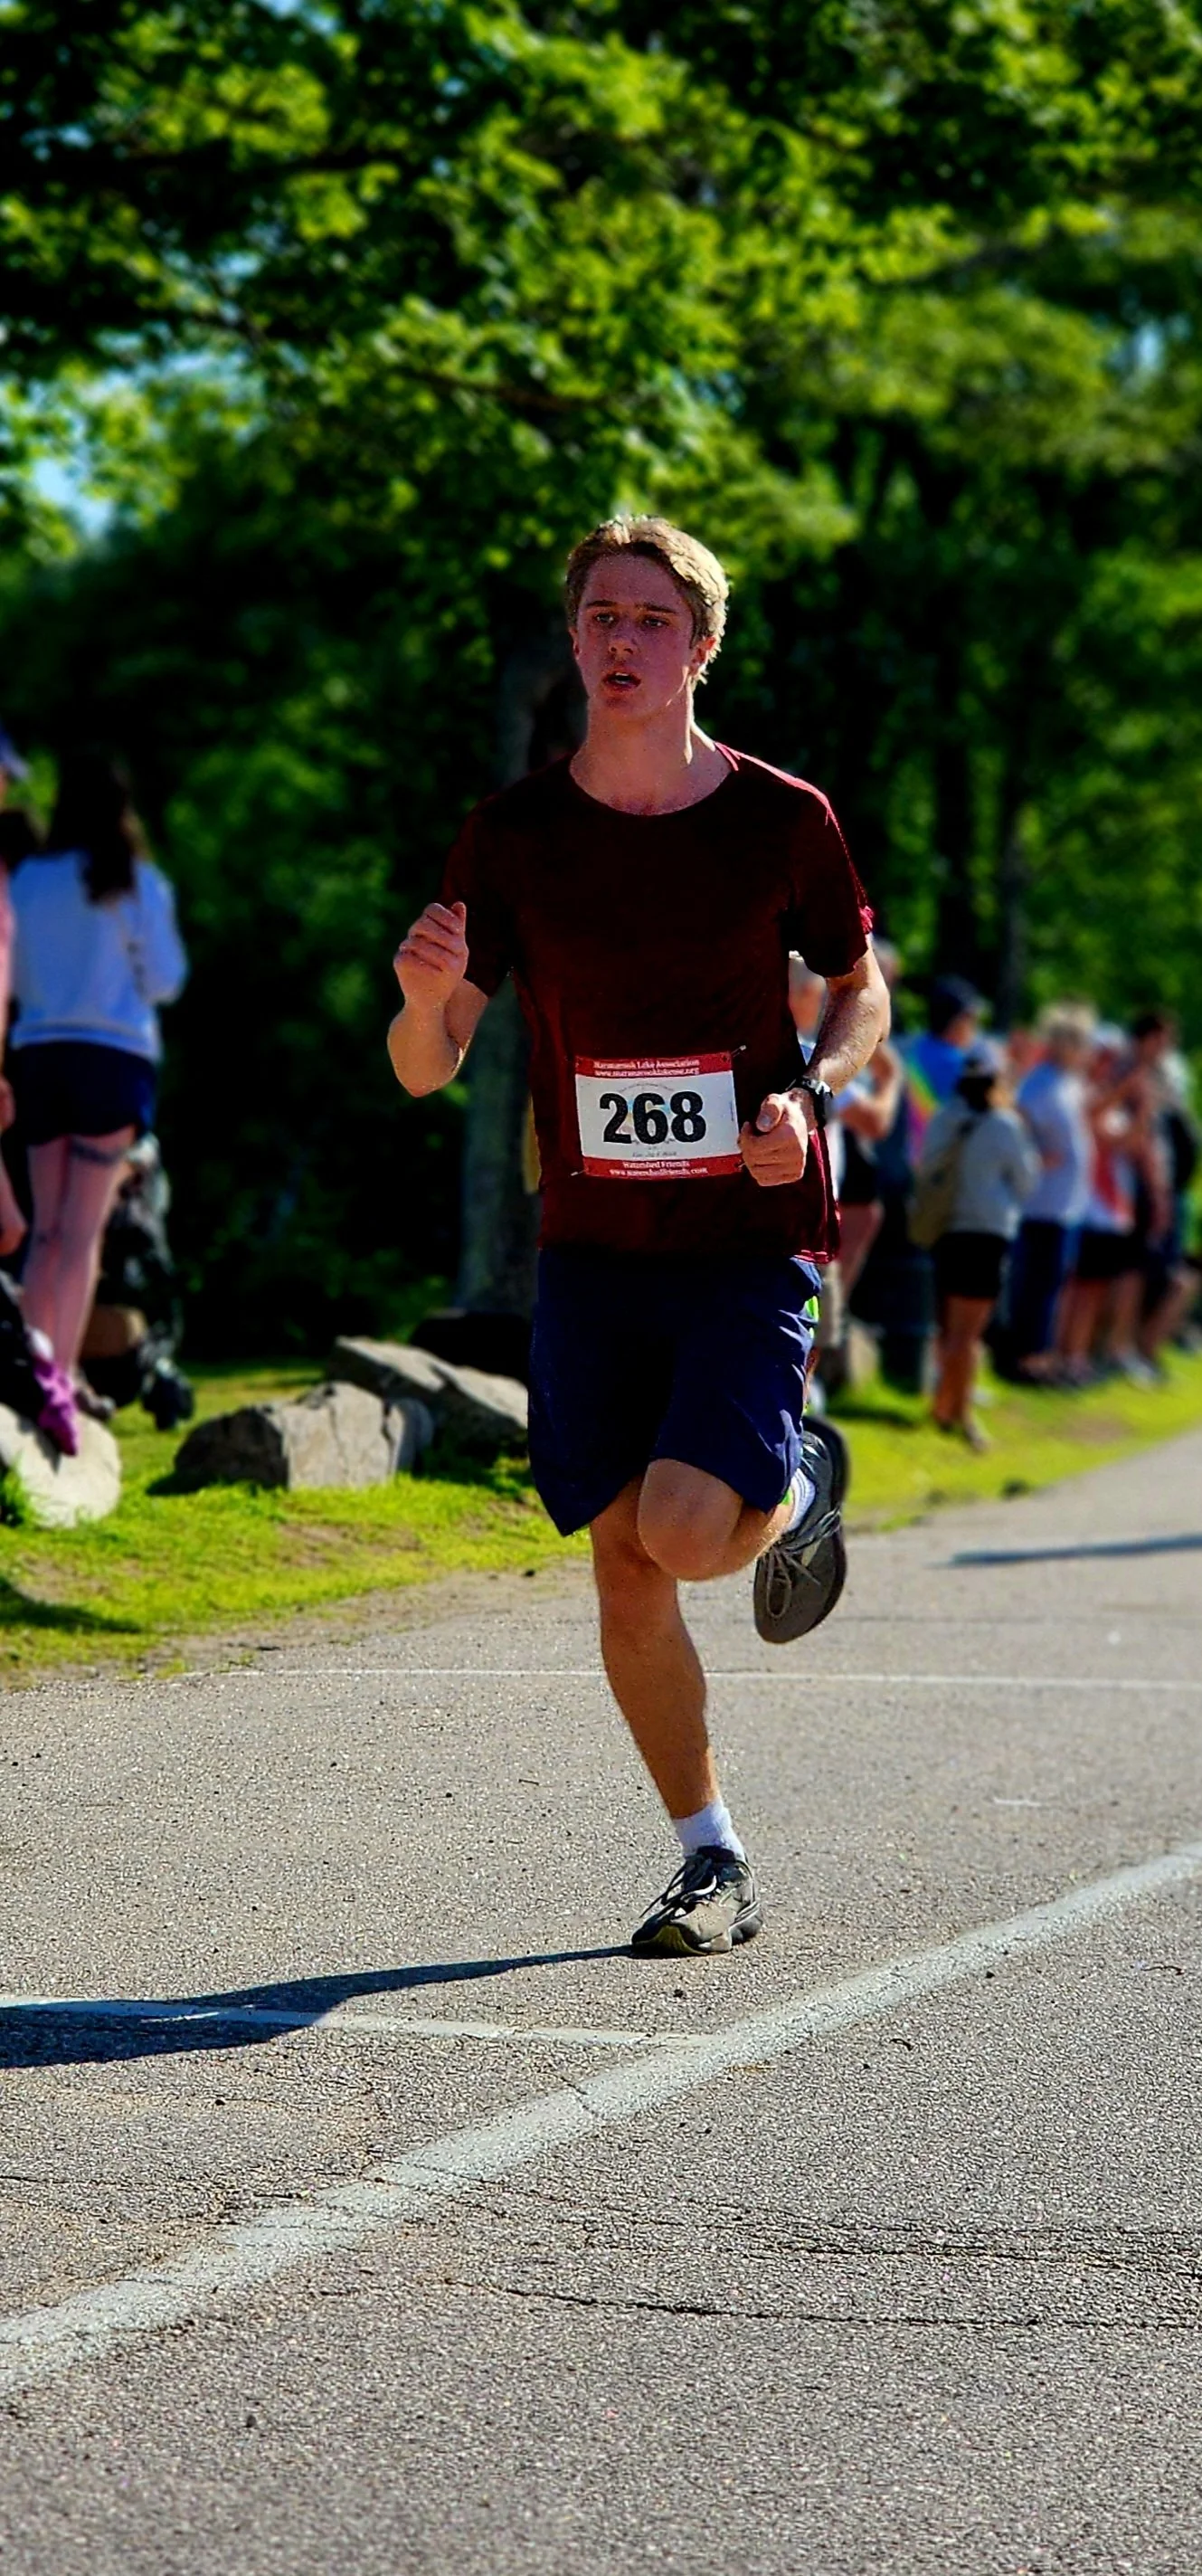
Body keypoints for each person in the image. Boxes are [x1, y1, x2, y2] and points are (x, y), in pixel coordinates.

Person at [389, 514, 889, 1954]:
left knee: (678, 1527)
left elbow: (861, 992)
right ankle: (708, 1855)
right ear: (572, 641)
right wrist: (423, 1000)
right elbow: (427, 1064)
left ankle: (794, 1475)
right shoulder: (514, 836)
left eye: (650, 619)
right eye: (599, 616)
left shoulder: (779, 817)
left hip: (748, 1225)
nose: (620, 641)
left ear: (702, 645)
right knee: (621, 1559)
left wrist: (808, 1086)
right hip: (594, 1247)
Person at [8, 751, 188, 1434]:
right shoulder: (136, 883)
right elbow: (167, 981)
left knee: (43, 1229)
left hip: (40, 1055)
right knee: (82, 1235)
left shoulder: (27, 878)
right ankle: (63, 1376)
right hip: (112, 1060)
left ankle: (31, 1366)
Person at [919, 1037, 1039, 1448]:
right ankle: (961, 1413)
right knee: (969, 1333)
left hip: (948, 1229)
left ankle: (944, 1403)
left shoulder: (945, 1116)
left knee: (949, 1325)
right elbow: (1026, 1181)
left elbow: (928, 1166)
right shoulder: (1005, 1125)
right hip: (988, 1233)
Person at [1008, 1000, 1095, 1379]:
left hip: (1067, 1203)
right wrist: (1038, 1156)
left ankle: (1045, 1353)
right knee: (1038, 1283)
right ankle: (1028, 1358)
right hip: (1042, 1202)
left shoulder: (1070, 1082)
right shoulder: (1040, 1082)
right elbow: (1019, 1127)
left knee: (1055, 1280)